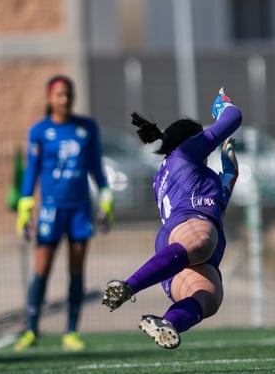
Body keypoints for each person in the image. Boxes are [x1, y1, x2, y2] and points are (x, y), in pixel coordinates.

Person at [102, 88, 242, 349]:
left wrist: (229, 174)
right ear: (189, 140)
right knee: (202, 240)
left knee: (209, 297)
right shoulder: (185, 153)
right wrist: (223, 106)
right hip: (188, 229)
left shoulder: (168, 172)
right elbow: (233, 118)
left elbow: (214, 204)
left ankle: (168, 323)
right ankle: (129, 286)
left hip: (179, 245)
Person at [14, 75, 114, 351]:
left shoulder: (87, 128)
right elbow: (32, 169)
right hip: (51, 209)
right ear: (50, 98)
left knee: (76, 270)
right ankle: (31, 329)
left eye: (68, 94)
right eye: (59, 95)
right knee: (42, 269)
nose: (65, 99)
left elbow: (96, 166)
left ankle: (71, 331)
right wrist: (25, 203)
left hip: (79, 209)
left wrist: (105, 196)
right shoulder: (39, 131)